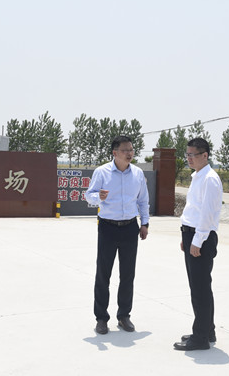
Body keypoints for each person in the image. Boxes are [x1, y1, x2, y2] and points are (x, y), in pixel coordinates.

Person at [84, 135, 150, 335]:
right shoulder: (102, 172)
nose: (129, 153)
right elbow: (88, 195)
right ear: (115, 153)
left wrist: (144, 223)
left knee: (128, 274)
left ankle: (124, 316)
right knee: (103, 274)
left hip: (130, 227)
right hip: (108, 227)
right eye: (125, 150)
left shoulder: (137, 174)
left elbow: (143, 200)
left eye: (131, 150)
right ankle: (101, 318)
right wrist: (98, 197)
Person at [174, 137, 222, 351]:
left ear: (205, 155)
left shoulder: (210, 179)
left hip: (201, 236)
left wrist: (197, 240)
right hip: (192, 235)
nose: (189, 158)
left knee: (200, 289)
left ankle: (200, 337)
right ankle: (207, 330)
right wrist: (186, 237)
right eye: (187, 154)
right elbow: (193, 210)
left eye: (192, 155)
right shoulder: (198, 176)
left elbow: (207, 214)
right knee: (198, 287)